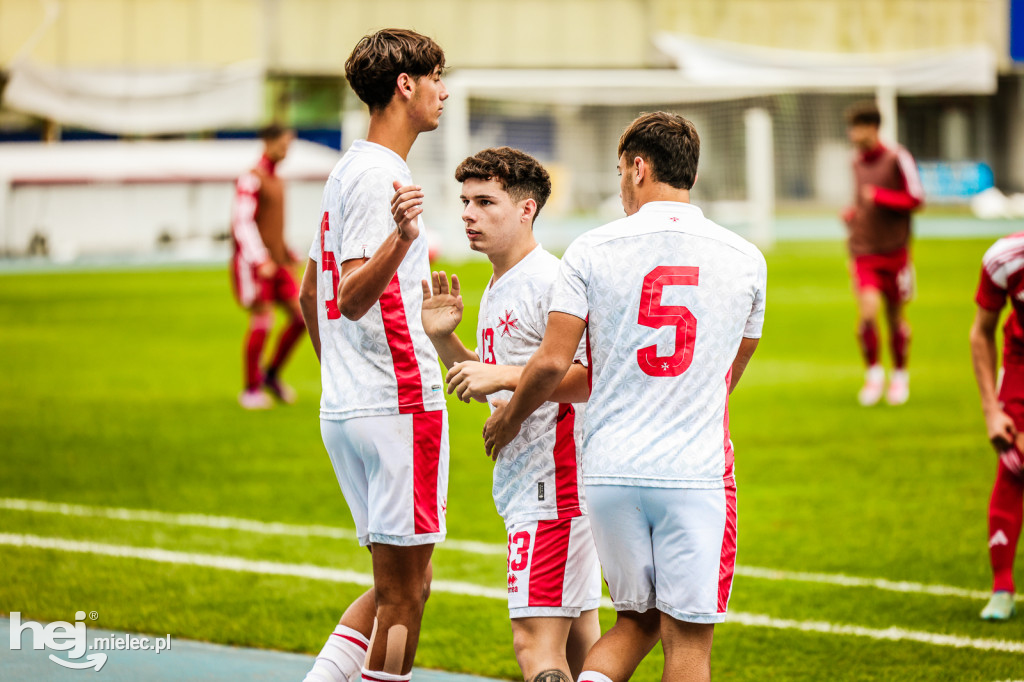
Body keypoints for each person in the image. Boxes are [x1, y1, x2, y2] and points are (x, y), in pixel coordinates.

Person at [484, 112, 766, 682]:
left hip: (609, 470)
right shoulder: (746, 258)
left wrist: (509, 417)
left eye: (619, 172)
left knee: (632, 621)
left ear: (639, 168)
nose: (619, 186)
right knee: (687, 645)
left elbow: (553, 361)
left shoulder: (590, 249)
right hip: (695, 470)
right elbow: (729, 371)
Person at [297, 29, 449, 682]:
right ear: (405, 86)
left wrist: (343, 381)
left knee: (409, 582)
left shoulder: (348, 169)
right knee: (403, 594)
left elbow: (311, 293)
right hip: (397, 402)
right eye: (437, 76)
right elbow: (352, 296)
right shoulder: (382, 175)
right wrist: (402, 238)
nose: (445, 90)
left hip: (355, 405)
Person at [420, 147, 601, 682]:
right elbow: (494, 385)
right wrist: (445, 341)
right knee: (579, 644)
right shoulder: (503, 281)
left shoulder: (550, 280)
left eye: (485, 201)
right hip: (537, 485)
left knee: (533, 645)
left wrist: (502, 379)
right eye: (465, 202)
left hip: (554, 485)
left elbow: (587, 379)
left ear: (526, 209)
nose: (468, 214)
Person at [842, 101, 924, 406]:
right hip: (864, 251)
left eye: (858, 127)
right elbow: (861, 201)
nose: (852, 134)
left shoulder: (897, 158)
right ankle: (874, 374)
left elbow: (917, 198)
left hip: (895, 252)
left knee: (895, 319)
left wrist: (881, 197)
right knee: (867, 313)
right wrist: (852, 214)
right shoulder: (856, 162)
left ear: (873, 128)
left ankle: (900, 376)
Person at [230, 123, 306, 410]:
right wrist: (259, 257)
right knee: (262, 320)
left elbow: (270, 224)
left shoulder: (278, 180)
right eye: (284, 144)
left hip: (278, 262)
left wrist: (285, 250)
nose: (287, 150)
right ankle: (250, 389)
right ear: (269, 142)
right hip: (256, 264)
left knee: (301, 318)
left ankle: (271, 374)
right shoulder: (251, 179)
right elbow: (243, 222)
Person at [970, 231, 1024, 621]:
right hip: (1021, 363)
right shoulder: (1005, 258)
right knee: (1014, 465)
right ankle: (1002, 586)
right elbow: (981, 332)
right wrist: (992, 409)